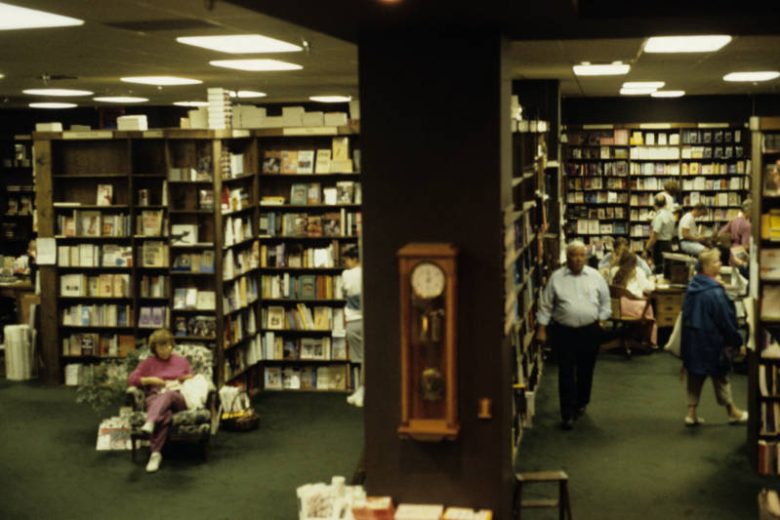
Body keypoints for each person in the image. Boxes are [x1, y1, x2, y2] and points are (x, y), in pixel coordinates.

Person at [537, 240, 611, 430]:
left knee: (586, 370)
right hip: (564, 332)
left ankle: (582, 401)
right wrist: (542, 330)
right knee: (566, 372)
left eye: (581, 255)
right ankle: (567, 413)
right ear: (567, 258)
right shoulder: (556, 278)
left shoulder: (595, 276)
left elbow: (605, 301)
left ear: (585, 257)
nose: (578, 259)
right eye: (574, 255)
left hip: (590, 331)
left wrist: (601, 322)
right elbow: (546, 306)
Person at [681, 249, 748, 426]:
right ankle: (732, 411)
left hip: (693, 340)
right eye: (717, 262)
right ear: (707, 267)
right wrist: (738, 340)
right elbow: (726, 321)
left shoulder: (693, 287)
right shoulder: (716, 292)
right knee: (721, 376)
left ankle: (691, 412)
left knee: (695, 375)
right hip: (712, 342)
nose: (720, 264)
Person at [127, 329, 193, 472]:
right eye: (162, 347)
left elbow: (192, 378)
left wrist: (180, 380)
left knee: (168, 394)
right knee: (165, 414)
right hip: (155, 397)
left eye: (169, 345)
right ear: (155, 348)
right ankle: (156, 454)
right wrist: (149, 380)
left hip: (177, 397)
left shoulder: (181, 361)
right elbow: (132, 379)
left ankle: (150, 421)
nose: (166, 349)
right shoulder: (148, 363)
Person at [610, 250, 657, 346]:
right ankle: (645, 340)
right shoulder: (638, 271)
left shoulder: (614, 270)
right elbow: (648, 288)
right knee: (648, 306)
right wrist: (652, 280)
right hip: (632, 309)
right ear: (635, 262)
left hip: (615, 308)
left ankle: (633, 333)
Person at [342, 245, 364, 408]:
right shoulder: (366, 272)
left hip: (353, 319)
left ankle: (361, 391)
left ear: (354, 258)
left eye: (347, 260)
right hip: (366, 319)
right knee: (366, 360)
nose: (346, 263)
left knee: (360, 359)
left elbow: (344, 291)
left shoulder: (347, 274)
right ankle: (360, 390)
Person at [718, 199, 752, 279]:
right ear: (749, 211)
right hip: (741, 257)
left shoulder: (734, 220)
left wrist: (730, 240)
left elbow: (720, 233)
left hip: (732, 252)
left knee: (734, 281)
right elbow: (745, 246)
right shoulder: (747, 225)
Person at [645, 194, 676, 275]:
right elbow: (672, 233)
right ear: (665, 204)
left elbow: (654, 235)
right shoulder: (671, 215)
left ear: (655, 204)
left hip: (660, 245)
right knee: (667, 269)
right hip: (668, 244)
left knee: (659, 269)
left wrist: (647, 248)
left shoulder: (659, 216)